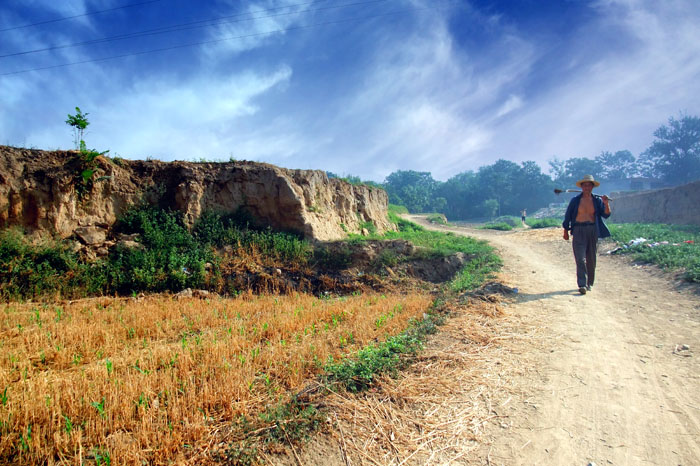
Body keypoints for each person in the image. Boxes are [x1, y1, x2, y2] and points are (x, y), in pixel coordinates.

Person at [562, 175, 611, 295]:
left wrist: (606, 203)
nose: (587, 187)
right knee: (580, 258)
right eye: (585, 185)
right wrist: (565, 231)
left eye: (589, 185)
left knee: (591, 258)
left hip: (592, 230)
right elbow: (568, 216)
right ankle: (582, 284)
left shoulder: (597, 201)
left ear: (592, 187)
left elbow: (606, 215)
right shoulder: (575, 200)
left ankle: (590, 283)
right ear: (582, 187)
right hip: (578, 230)